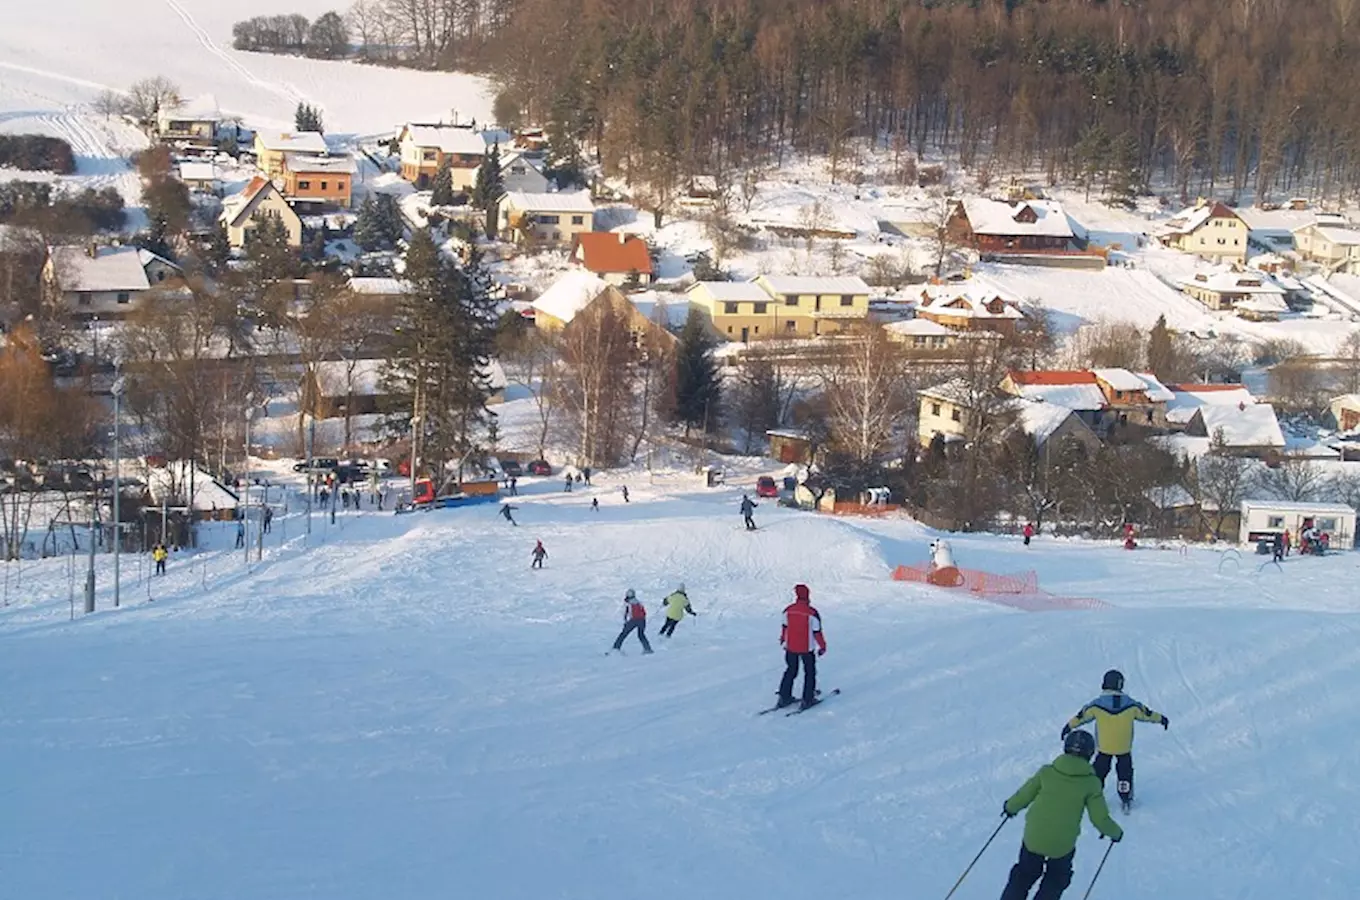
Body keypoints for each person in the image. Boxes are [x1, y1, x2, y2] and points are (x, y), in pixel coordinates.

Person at [999, 730, 1123, 900]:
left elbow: (1024, 795)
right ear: (1090, 754)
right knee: (1056, 878)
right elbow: (1099, 818)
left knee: (1024, 874)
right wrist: (1114, 832)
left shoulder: (1046, 772)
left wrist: (1010, 807)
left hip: (1034, 837)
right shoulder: (1091, 783)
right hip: (1062, 844)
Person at [1061, 669, 1168, 809]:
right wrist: (1161, 719)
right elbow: (1146, 713)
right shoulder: (1131, 704)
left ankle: (1092, 794)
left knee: (1099, 770)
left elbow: (1081, 717)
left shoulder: (1097, 705)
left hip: (1104, 747)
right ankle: (1126, 797)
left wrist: (1069, 726)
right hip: (1124, 748)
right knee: (1125, 771)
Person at [777, 583, 826, 709]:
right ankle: (808, 698)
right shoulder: (812, 612)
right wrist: (822, 646)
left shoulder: (788, 610)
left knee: (790, 670)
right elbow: (817, 632)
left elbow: (785, 627)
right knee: (809, 672)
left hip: (790, 647)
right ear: (808, 596)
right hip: (806, 648)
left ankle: (784, 696)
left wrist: (783, 638)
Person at [611, 588, 653, 654]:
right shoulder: (639, 602)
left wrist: (625, 622)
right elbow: (644, 612)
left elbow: (625, 613)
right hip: (642, 620)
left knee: (623, 634)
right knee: (641, 635)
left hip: (633, 620)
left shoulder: (628, 603)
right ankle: (648, 649)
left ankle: (616, 648)